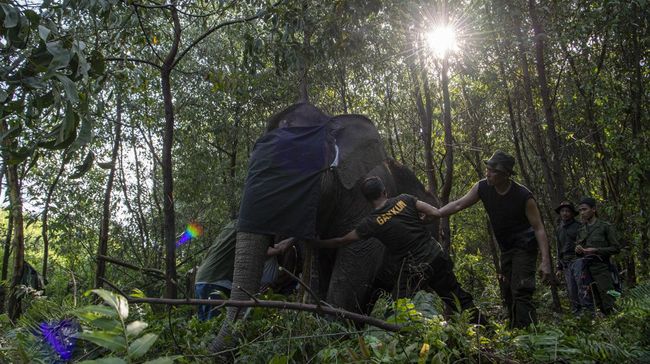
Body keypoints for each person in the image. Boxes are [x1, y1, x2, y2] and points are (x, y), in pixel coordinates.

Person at [315, 176, 486, 324]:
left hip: (415, 269)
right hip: (436, 256)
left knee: (401, 307)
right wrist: (423, 220)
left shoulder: (371, 223)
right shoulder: (405, 199)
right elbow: (435, 212)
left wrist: (318, 243)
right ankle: (485, 328)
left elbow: (342, 241)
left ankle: (406, 339)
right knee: (456, 297)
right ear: (385, 191)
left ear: (367, 200)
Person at [432, 150, 552, 328]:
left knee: (521, 290)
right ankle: (514, 331)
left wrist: (545, 261)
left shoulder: (523, 196)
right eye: (487, 169)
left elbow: (539, 228)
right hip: (506, 249)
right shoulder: (482, 187)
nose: (487, 173)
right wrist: (436, 213)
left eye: (493, 171)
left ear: (506, 174)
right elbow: (459, 204)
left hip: (525, 247)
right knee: (508, 291)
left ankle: (529, 334)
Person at [194, 218, 296, 321]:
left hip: (201, 279)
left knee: (204, 325)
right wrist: (297, 236)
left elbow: (275, 247)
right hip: (217, 281)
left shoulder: (233, 225)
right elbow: (274, 250)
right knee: (214, 324)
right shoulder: (250, 228)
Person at [575, 197, 620, 315]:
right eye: (580, 210)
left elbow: (616, 248)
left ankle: (619, 323)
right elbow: (579, 248)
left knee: (610, 298)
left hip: (602, 268)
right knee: (595, 301)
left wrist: (597, 250)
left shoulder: (605, 226)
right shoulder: (581, 230)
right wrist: (578, 250)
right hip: (586, 270)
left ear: (593, 209)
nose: (582, 213)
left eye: (584, 209)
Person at [554, 200, 583, 313]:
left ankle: (588, 312)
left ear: (572, 213)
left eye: (567, 211)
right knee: (572, 289)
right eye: (562, 211)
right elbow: (559, 248)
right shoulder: (559, 229)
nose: (565, 213)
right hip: (566, 263)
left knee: (581, 286)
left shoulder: (579, 226)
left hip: (578, 260)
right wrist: (559, 267)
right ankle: (577, 312)